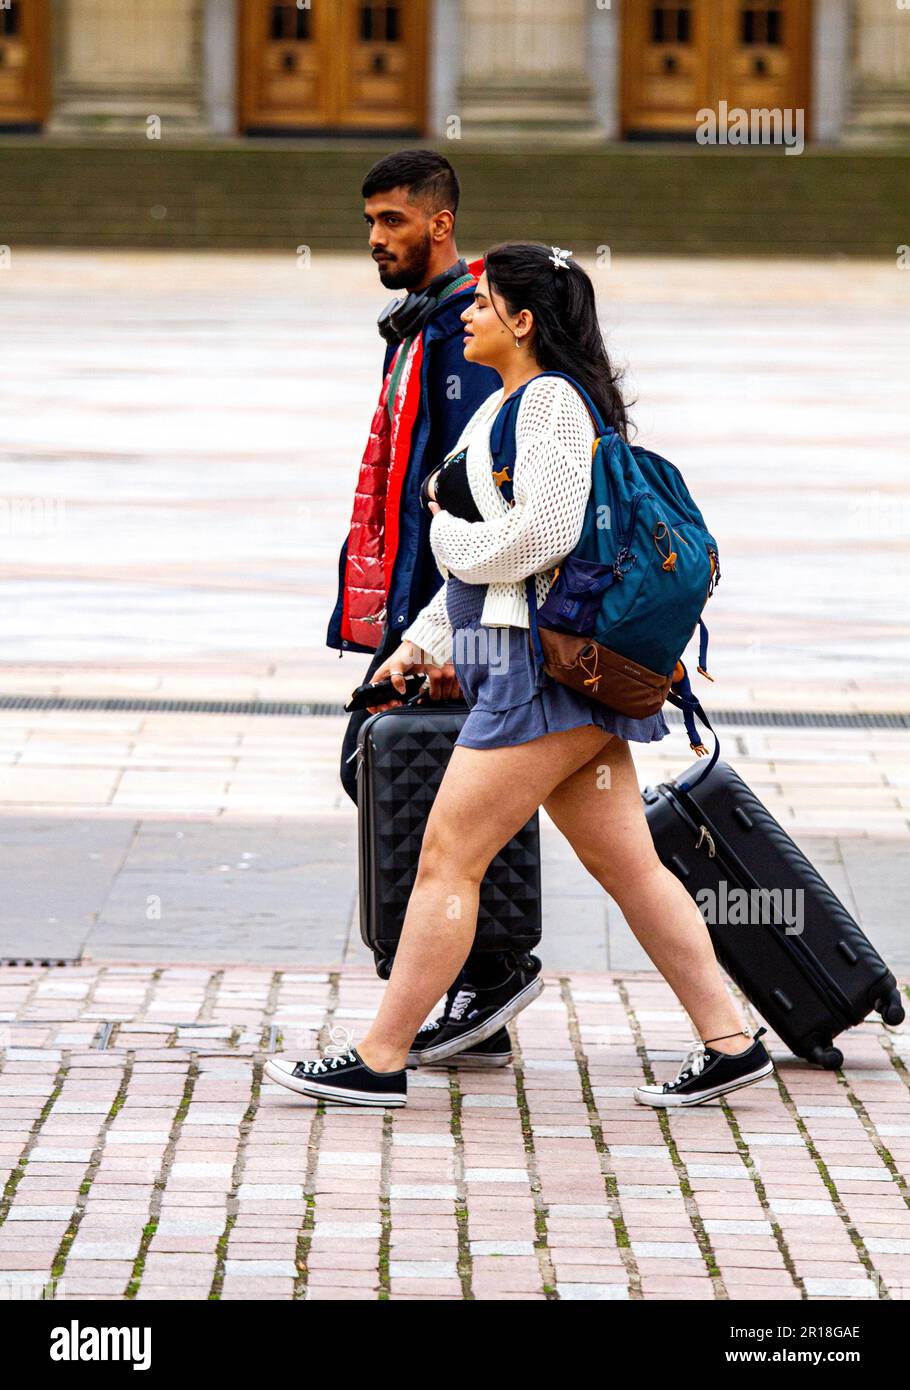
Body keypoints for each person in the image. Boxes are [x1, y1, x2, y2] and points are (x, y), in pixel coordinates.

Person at [271, 241, 774, 1110]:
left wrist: (441, 538)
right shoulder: (511, 406)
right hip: (547, 673)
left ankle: (381, 1058)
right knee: (631, 868)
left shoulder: (546, 406)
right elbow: (492, 561)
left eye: (483, 301)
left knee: (447, 858)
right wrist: (421, 641)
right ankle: (730, 1045)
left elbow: (539, 539)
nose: (465, 311)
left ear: (523, 320)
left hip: (535, 680)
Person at [327, 150, 540, 1068]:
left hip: (457, 610)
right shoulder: (419, 322)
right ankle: (481, 987)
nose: (376, 238)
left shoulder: (466, 329)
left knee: (424, 793)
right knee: (425, 791)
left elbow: (479, 489)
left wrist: (446, 629)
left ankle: (489, 977)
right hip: (424, 604)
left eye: (393, 222)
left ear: (440, 224)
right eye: (370, 221)